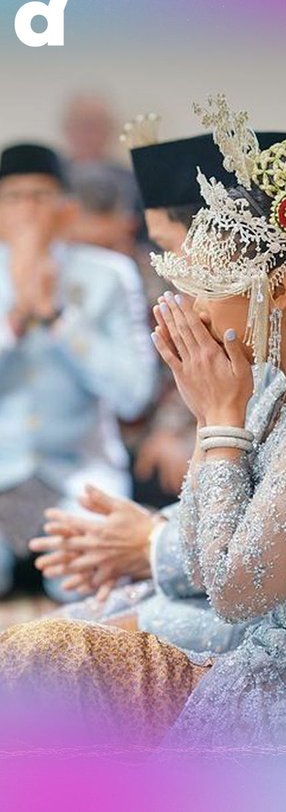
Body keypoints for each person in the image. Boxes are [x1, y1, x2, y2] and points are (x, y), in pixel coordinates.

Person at [0, 98, 286, 751]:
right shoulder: (280, 372)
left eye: (206, 282)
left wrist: (215, 421)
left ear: (275, 290)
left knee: (53, 667)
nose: (190, 305)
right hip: (284, 661)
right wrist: (215, 416)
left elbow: (233, 593)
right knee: (43, 655)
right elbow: (205, 548)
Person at [30, 126, 286, 660]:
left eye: (173, 251)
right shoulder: (262, 335)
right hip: (261, 588)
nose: (186, 297)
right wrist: (154, 530)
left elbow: (245, 577)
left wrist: (149, 543)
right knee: (59, 634)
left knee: (62, 653)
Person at [0, 143, 157, 599]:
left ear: (66, 208)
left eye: (42, 197)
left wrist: (56, 318)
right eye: (14, 198)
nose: (29, 211)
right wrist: (14, 323)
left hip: (80, 474)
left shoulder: (109, 275)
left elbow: (133, 393)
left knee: (83, 586)